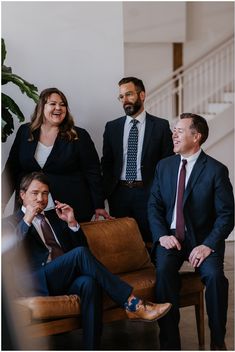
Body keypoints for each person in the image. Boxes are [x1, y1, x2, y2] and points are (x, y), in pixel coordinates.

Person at [3, 171, 171, 350]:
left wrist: (72, 223)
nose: (41, 198)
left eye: (45, 193)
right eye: (35, 193)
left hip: (61, 277)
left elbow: (83, 250)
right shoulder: (9, 223)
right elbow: (9, 253)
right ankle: (132, 302)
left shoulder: (53, 217)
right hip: (35, 280)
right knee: (80, 254)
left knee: (89, 283)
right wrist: (27, 220)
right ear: (22, 195)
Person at [148, 113, 234, 350]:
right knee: (163, 272)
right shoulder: (164, 166)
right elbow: (154, 206)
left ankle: (218, 342)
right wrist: (161, 235)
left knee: (216, 278)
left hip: (203, 241)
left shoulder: (216, 170)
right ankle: (170, 344)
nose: (173, 135)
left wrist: (208, 245)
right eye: (174, 130)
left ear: (196, 137)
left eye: (180, 130)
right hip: (171, 239)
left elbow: (227, 215)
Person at [2, 87, 111, 222]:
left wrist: (99, 204)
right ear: (42, 107)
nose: (58, 108)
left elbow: (92, 172)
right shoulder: (25, 132)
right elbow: (12, 168)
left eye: (62, 104)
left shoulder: (79, 135)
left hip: (70, 207)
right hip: (30, 209)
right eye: (53, 104)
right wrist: (2, 201)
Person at [101, 77, 174, 242]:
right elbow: (107, 162)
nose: (125, 100)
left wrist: (161, 192)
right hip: (119, 193)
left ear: (142, 95)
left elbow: (168, 163)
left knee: (150, 238)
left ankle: (153, 268)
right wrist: (106, 192)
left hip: (148, 192)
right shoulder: (112, 127)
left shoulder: (161, 126)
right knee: (122, 240)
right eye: (121, 96)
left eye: (129, 94)